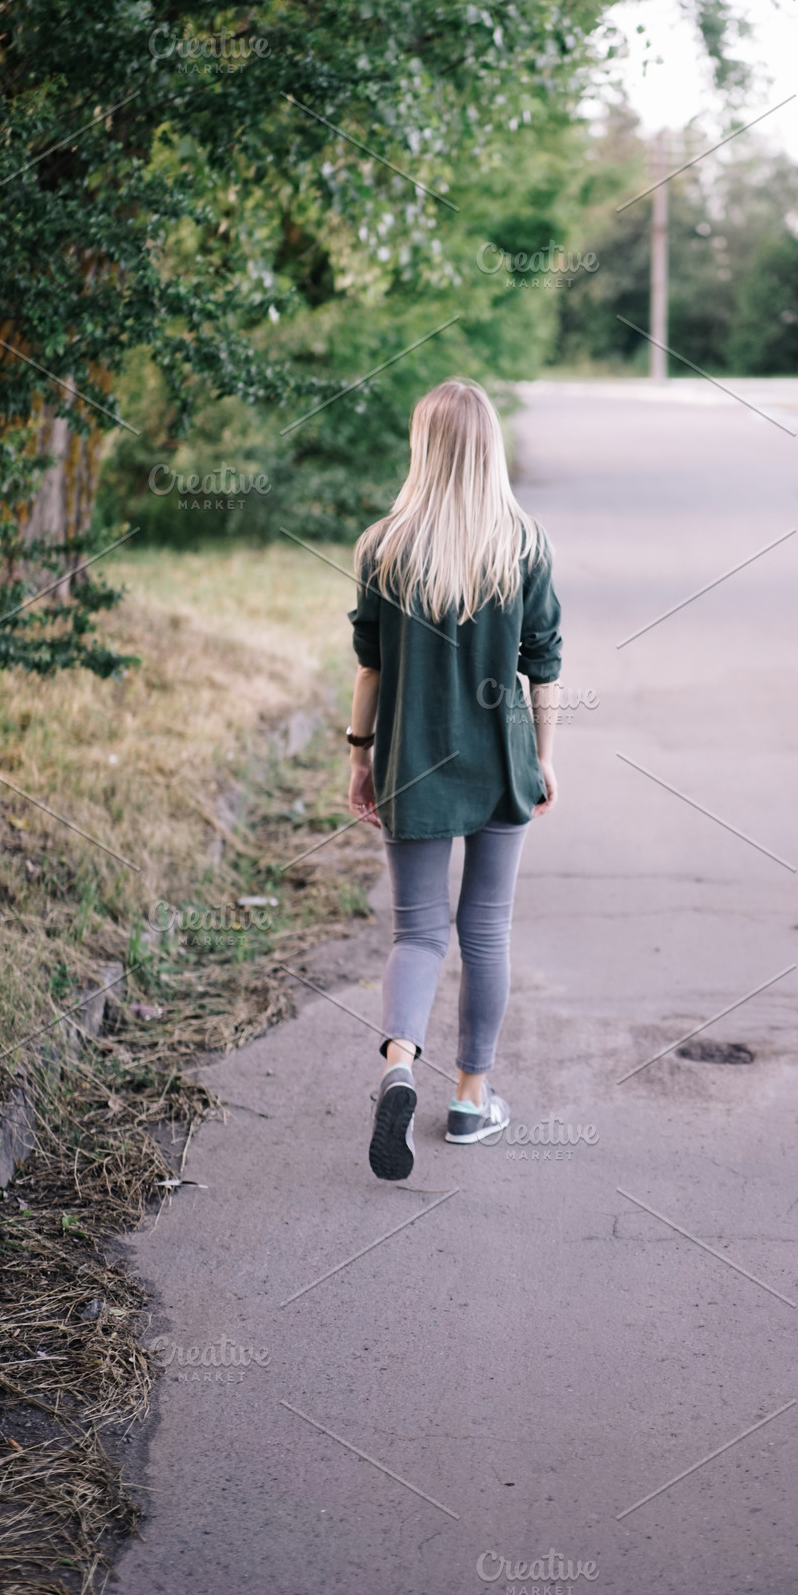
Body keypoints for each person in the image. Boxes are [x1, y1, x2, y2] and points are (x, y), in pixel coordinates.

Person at [346, 378, 562, 1181]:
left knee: (418, 933)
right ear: (489, 449)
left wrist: (359, 755)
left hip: (413, 763)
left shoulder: (384, 546)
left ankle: (398, 1065)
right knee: (486, 931)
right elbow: (543, 664)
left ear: (423, 446)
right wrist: (543, 756)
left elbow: (370, 666)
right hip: (500, 760)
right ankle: (472, 1099)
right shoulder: (523, 542)